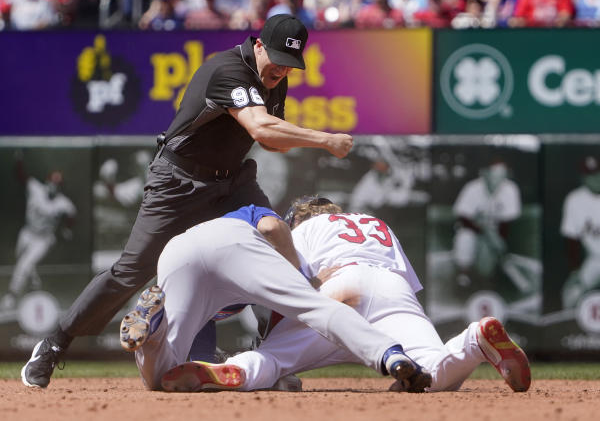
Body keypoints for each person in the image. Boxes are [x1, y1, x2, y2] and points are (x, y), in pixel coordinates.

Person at [21, 14, 353, 388]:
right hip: (178, 182)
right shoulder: (227, 69)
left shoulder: (275, 80)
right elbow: (260, 126)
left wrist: (297, 134)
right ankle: (54, 344)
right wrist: (326, 140)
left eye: (289, 63)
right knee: (132, 269)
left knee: (273, 245)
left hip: (230, 184)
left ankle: (270, 361)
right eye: (275, 57)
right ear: (258, 45)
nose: (280, 68)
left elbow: (271, 140)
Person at [160, 197, 531, 393]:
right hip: (391, 287)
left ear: (298, 218)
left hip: (335, 290)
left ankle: (235, 371)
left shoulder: (302, 229)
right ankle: (475, 340)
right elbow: (406, 282)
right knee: (431, 371)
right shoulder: (374, 223)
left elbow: (290, 289)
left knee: (273, 360)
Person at [120, 204, 432, 392]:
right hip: (233, 238)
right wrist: (303, 278)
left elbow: (268, 329)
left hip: (177, 251)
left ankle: (154, 328)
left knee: (162, 376)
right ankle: (389, 355)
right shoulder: (266, 219)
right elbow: (270, 226)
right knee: (316, 306)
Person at [1, 153, 76, 311]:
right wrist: (18, 160)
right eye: (52, 180)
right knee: (23, 263)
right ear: (47, 180)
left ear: (62, 185)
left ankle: (11, 295)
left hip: (43, 239)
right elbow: (21, 176)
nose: (54, 185)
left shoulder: (63, 202)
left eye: (58, 182)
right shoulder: (35, 188)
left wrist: (67, 229)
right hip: (27, 232)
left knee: (24, 264)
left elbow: (71, 214)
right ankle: (35, 286)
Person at [451, 160, 521, 288]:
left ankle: (495, 267)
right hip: (471, 229)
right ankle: (463, 273)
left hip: (495, 232)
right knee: (464, 238)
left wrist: (498, 242)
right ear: (485, 174)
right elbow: (463, 219)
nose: (497, 180)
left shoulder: (511, 189)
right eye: (494, 175)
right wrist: (484, 230)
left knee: (485, 271)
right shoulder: (472, 188)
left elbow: (507, 223)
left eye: (502, 176)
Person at [560, 156, 600, 309]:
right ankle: (571, 331)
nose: (595, 179)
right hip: (595, 259)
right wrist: (575, 270)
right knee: (571, 293)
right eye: (590, 175)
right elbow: (571, 238)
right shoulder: (574, 200)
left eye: (598, 174)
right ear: (583, 178)